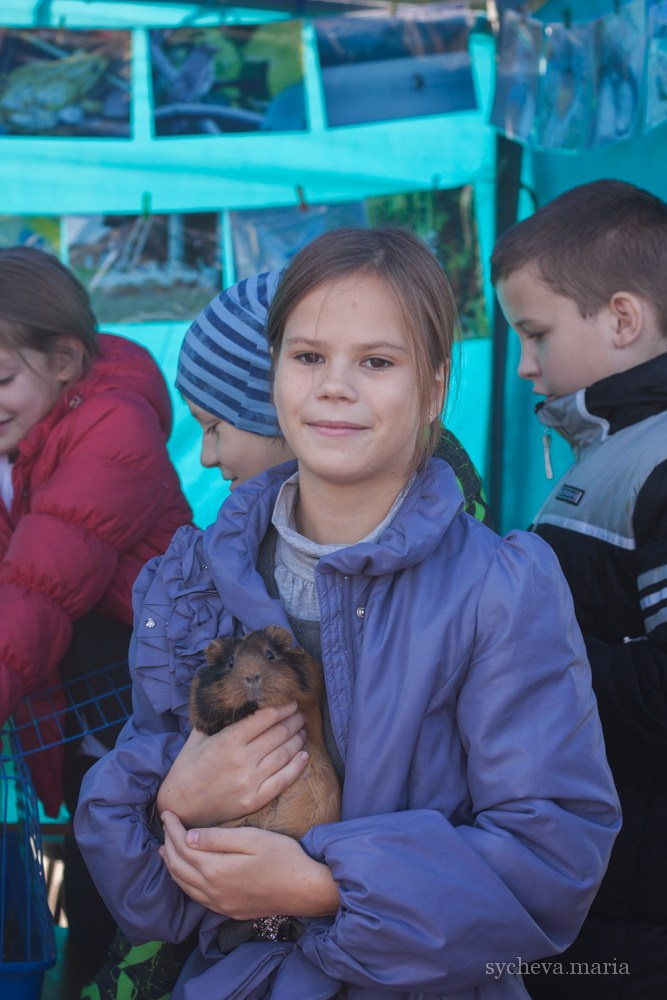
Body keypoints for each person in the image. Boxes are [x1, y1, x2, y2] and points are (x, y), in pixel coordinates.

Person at [75, 227, 619, 1000]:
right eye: (307, 357)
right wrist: (175, 799)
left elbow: (552, 857)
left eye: (376, 361)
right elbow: (151, 903)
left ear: (433, 386)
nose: (334, 386)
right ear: (273, 375)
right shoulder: (193, 579)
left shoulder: (499, 588)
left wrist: (322, 889)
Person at [491, 178, 667, 1000]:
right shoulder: (607, 447)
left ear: (623, 320)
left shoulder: (658, 463)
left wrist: (510, 651)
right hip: (593, 883)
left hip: (636, 918)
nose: (524, 364)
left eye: (535, 333)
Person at [0, 246, 193, 972]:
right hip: (81, 713)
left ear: (66, 360)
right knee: (83, 879)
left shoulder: (113, 429)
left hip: (149, 708)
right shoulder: (23, 432)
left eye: (0, 379)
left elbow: (38, 584)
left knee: (142, 899)